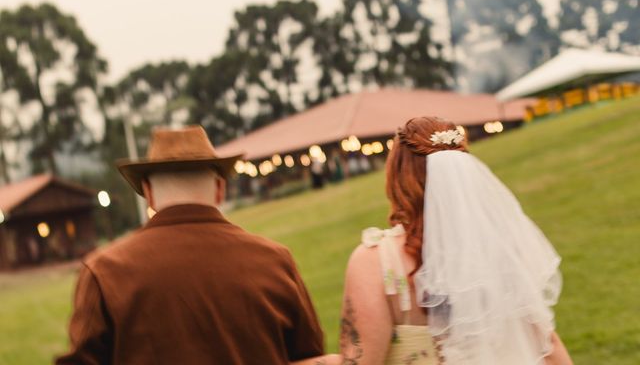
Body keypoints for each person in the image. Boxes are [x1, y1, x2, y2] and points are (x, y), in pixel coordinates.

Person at [305, 116, 573, 365]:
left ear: (397, 180)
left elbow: (359, 359)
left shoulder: (378, 262)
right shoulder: (500, 250)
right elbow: (546, 343)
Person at [56, 125, 325, 364]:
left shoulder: (104, 272)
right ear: (220, 188)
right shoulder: (276, 261)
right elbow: (313, 358)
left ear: (148, 194)